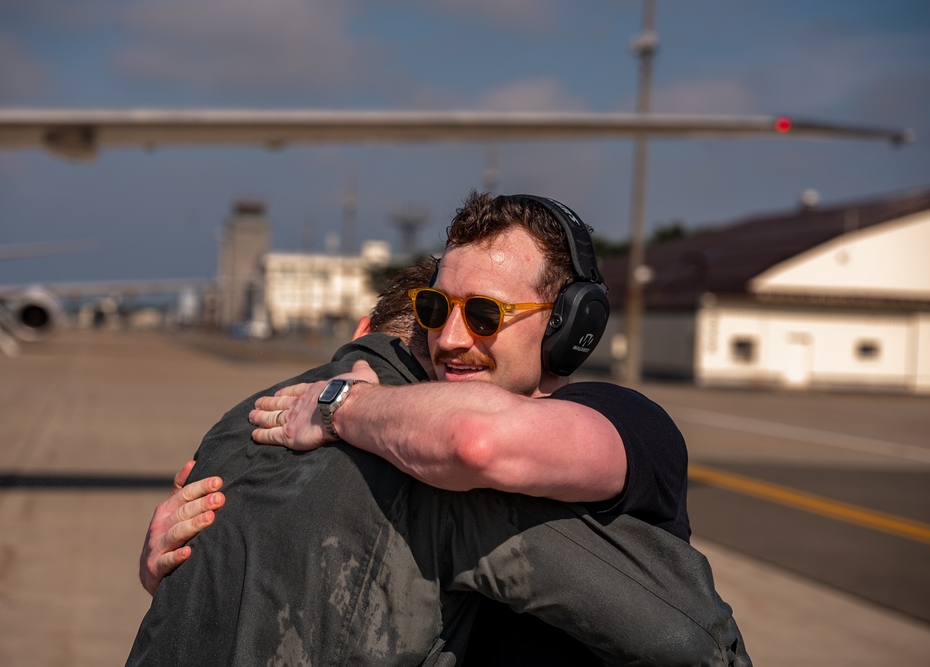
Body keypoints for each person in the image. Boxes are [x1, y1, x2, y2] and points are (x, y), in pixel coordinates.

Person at [132, 202, 750, 664]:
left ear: (570, 327)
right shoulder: (408, 446)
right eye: (435, 310)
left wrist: (340, 404)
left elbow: (474, 444)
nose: (449, 340)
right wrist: (193, 561)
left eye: (486, 315)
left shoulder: (624, 419)